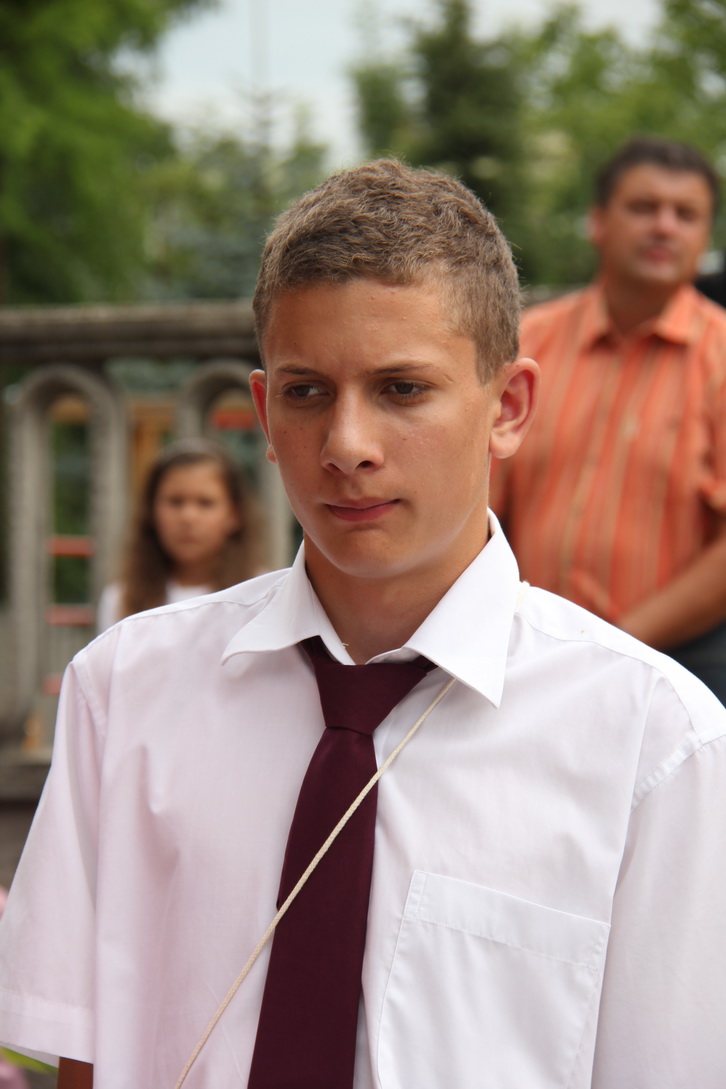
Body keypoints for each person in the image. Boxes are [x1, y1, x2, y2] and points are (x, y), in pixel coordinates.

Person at [0, 159, 725, 1089]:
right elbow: (84, 1057)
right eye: (307, 392)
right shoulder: (126, 689)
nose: (347, 445)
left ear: (507, 408)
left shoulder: (652, 744)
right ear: (263, 412)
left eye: (402, 389)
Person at [491, 136, 726, 703]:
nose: (664, 227)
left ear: (705, 237)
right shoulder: (527, 343)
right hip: (519, 655)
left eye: (685, 214)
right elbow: (475, 499)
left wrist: (613, 646)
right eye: (643, 207)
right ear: (597, 221)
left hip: (679, 669)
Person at [96, 437, 264, 631]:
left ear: (235, 514)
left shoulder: (262, 594)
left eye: (205, 503)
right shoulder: (121, 600)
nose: (188, 517)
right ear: (151, 511)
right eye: (175, 502)